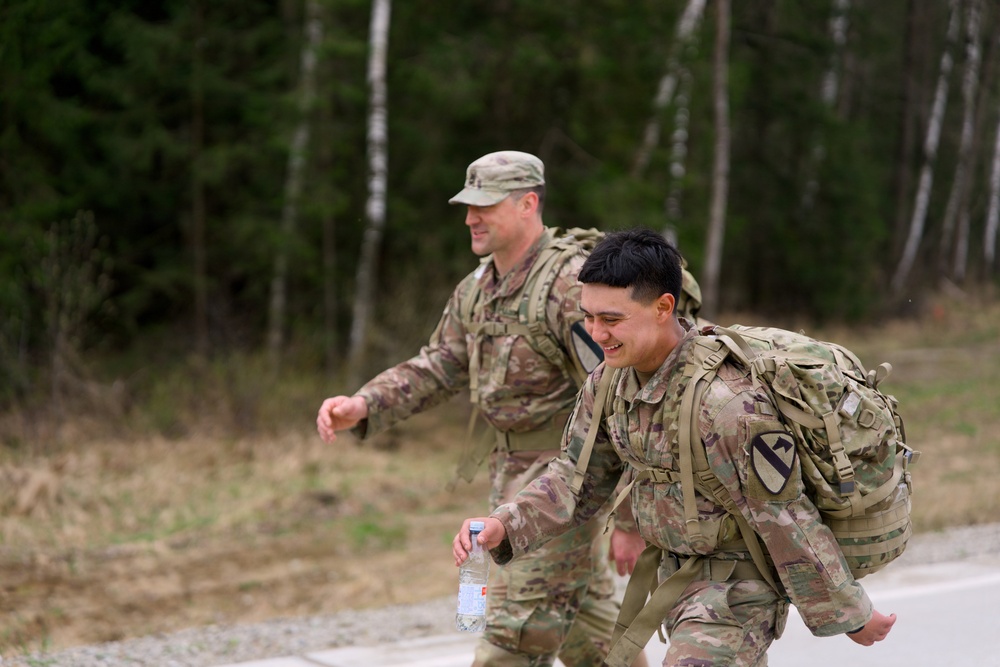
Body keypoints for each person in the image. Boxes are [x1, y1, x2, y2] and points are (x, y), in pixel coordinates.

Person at [453, 227, 896, 666]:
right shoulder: (608, 381)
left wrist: (851, 614)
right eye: (588, 316)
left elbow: (785, 516)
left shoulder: (726, 403)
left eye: (611, 319)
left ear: (664, 307)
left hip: (738, 589)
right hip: (676, 578)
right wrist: (504, 525)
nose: (595, 333)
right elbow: (576, 479)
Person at [317, 151, 656, 667]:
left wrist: (631, 517)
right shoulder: (478, 288)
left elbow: (624, 399)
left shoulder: (568, 287)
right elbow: (441, 363)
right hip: (510, 479)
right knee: (589, 636)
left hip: (561, 489)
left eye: (485, 206)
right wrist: (364, 404)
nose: (471, 218)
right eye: (468, 207)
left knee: (512, 636)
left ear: (527, 204)